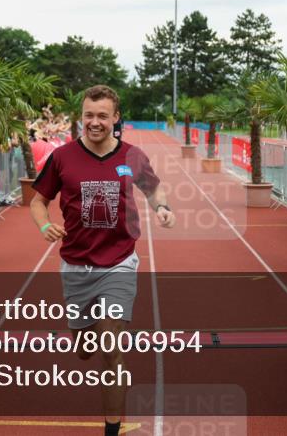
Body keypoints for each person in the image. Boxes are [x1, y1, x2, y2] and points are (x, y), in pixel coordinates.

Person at [29, 85, 175, 436]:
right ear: (82, 117)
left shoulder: (133, 156)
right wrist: (46, 225)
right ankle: (86, 333)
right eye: (89, 116)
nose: (95, 123)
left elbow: (153, 188)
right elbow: (37, 201)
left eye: (102, 116)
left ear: (115, 118)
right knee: (83, 350)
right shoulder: (62, 157)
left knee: (110, 349)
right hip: (77, 266)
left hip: (119, 263)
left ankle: (111, 429)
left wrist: (163, 208)